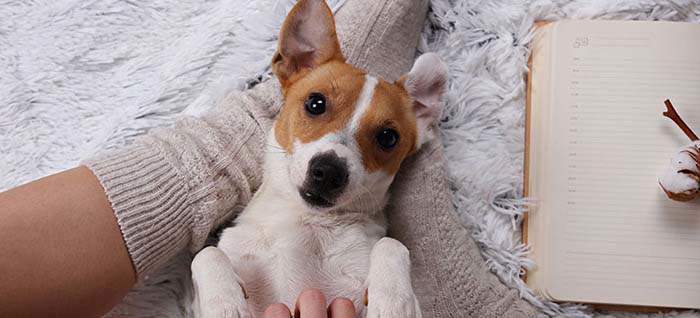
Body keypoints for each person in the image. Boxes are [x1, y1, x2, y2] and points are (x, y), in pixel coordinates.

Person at [0, 0, 429, 317]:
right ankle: (219, 151)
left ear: (418, 129)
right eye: (316, 106)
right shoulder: (226, 252)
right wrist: (209, 266)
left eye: (385, 137)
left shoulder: (376, 252)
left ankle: (215, 154)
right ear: (292, 64)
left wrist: (393, 255)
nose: (333, 158)